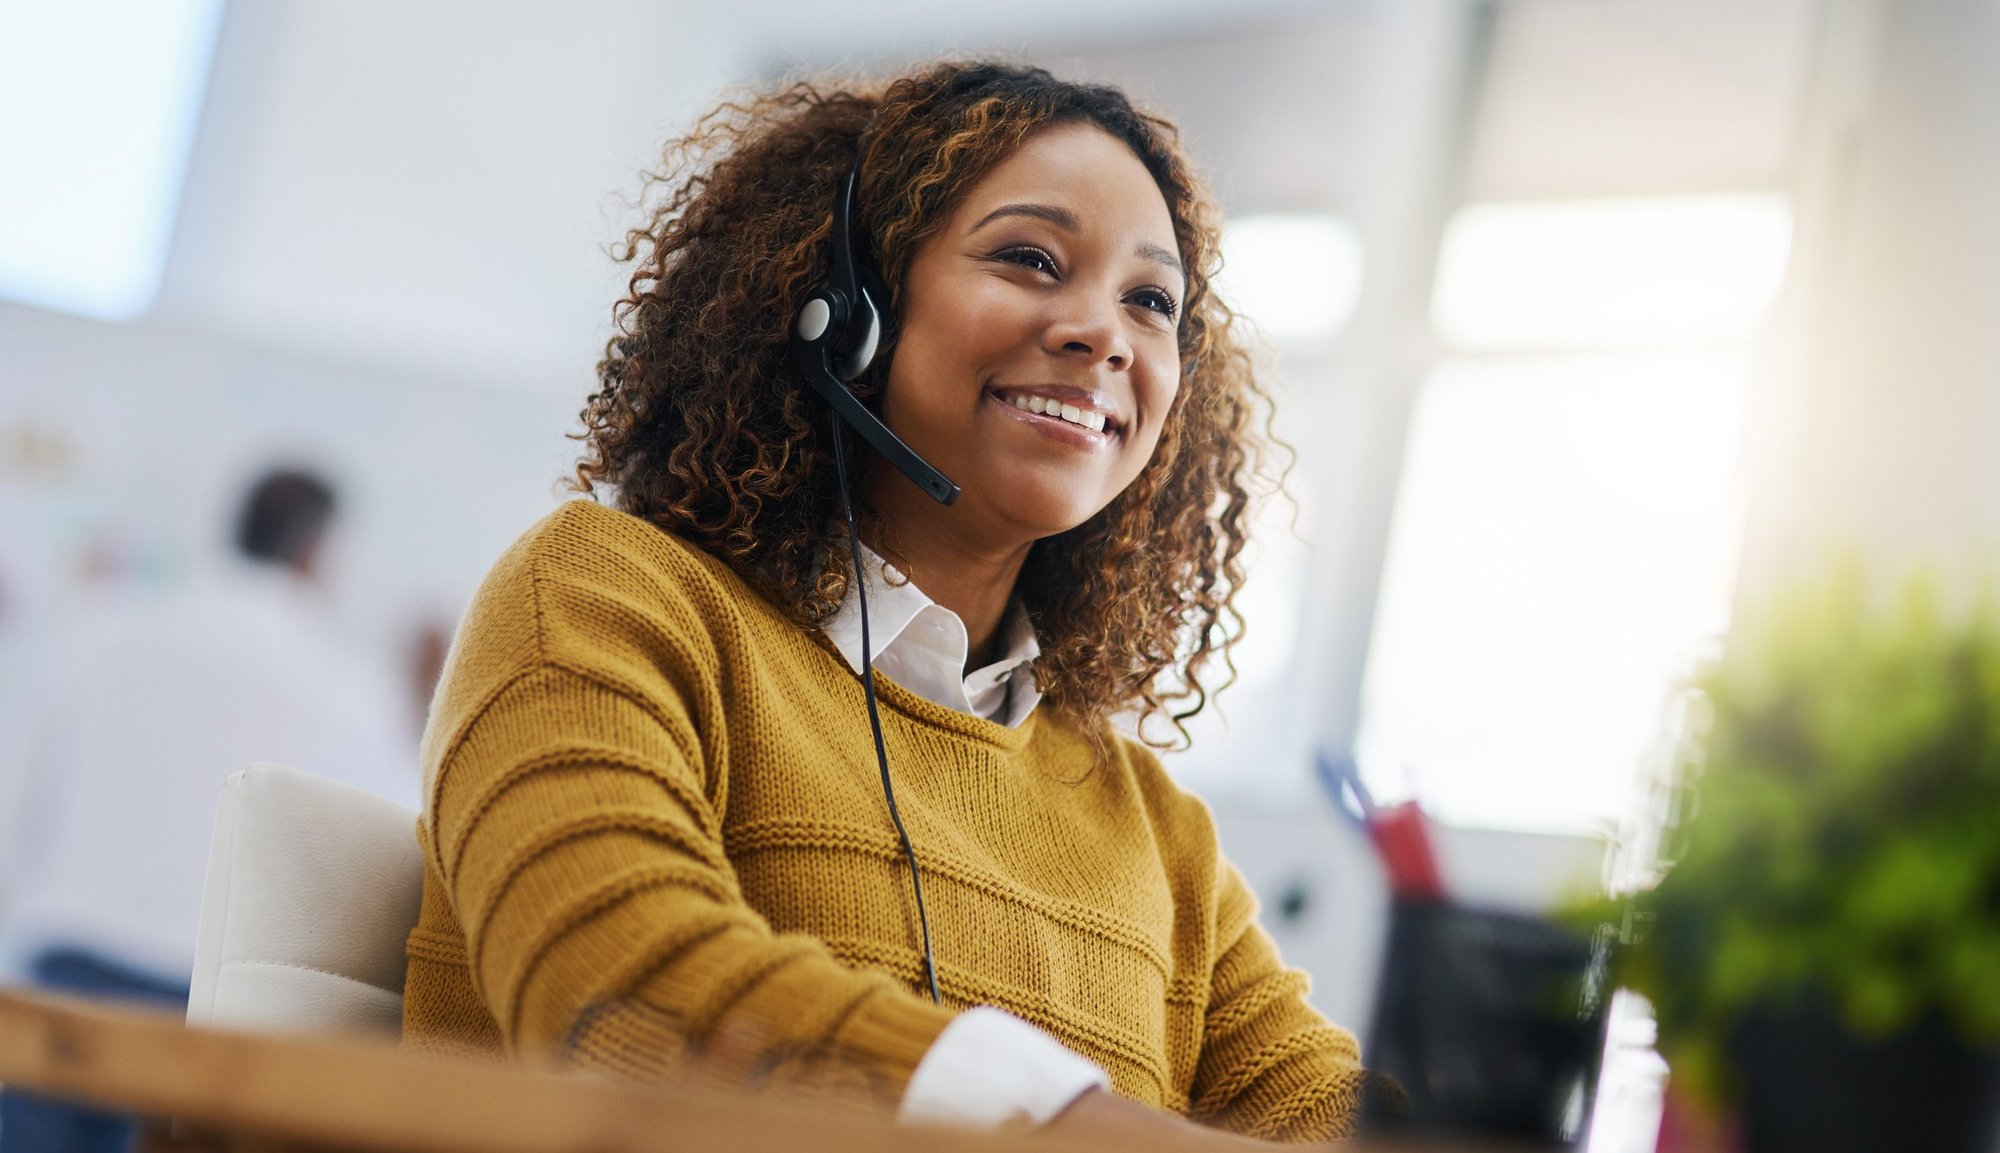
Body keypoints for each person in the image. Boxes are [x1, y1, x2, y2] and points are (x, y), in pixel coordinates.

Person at [402, 62, 1365, 1144]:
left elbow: (1328, 1116)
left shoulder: (1151, 823)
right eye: (1029, 259)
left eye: (1150, 302)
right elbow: (619, 989)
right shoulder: (606, 594)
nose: (1103, 333)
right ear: (845, 308)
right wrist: (1063, 1124)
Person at [0, 468, 416, 1152]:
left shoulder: (101, 630)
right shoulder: (349, 690)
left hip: (64, 986)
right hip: (214, 1017)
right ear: (318, 551)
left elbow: (13, 793)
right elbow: (379, 869)